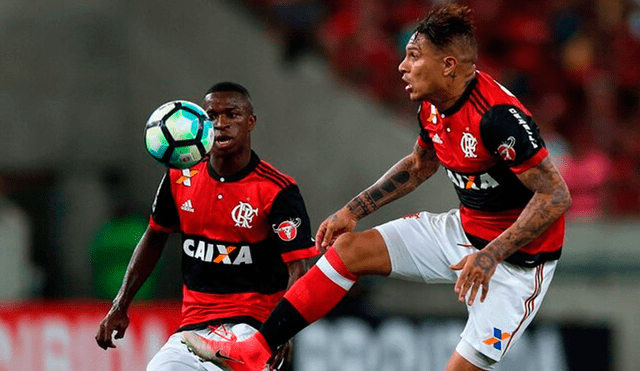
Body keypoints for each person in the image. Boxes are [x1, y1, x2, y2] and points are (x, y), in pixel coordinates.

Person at [182, 4, 572, 371]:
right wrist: (354, 210)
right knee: (349, 249)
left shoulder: (497, 118)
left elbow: (556, 195)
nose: (402, 66)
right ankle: (254, 353)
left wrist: (490, 255)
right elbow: (420, 165)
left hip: (517, 263)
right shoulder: (432, 104)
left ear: (449, 65)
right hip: (464, 232)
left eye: (414, 56)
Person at [95, 82, 319, 371]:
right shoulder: (180, 175)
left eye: (232, 115)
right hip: (193, 328)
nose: (221, 124)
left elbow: (298, 270)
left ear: (251, 122)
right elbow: (154, 237)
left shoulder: (277, 190)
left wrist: (281, 332)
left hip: (254, 327)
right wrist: (121, 304)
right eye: (212, 116)